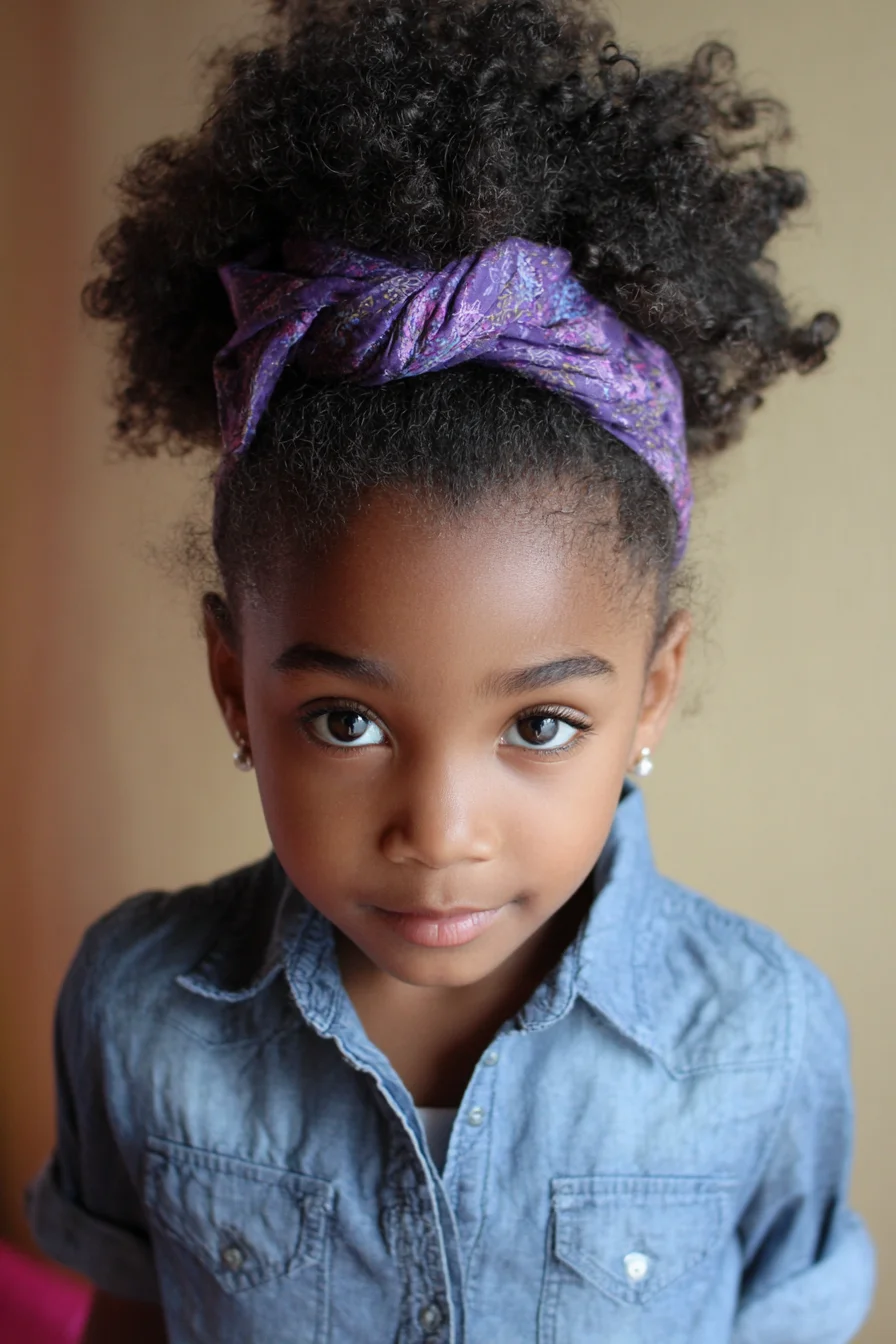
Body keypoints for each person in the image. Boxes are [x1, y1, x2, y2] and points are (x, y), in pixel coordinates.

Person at [25, 2, 875, 1341]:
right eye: (345, 720)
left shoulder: (764, 1035)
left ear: (651, 694)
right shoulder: (135, 1008)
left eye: (540, 723)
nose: (439, 832)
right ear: (232, 685)